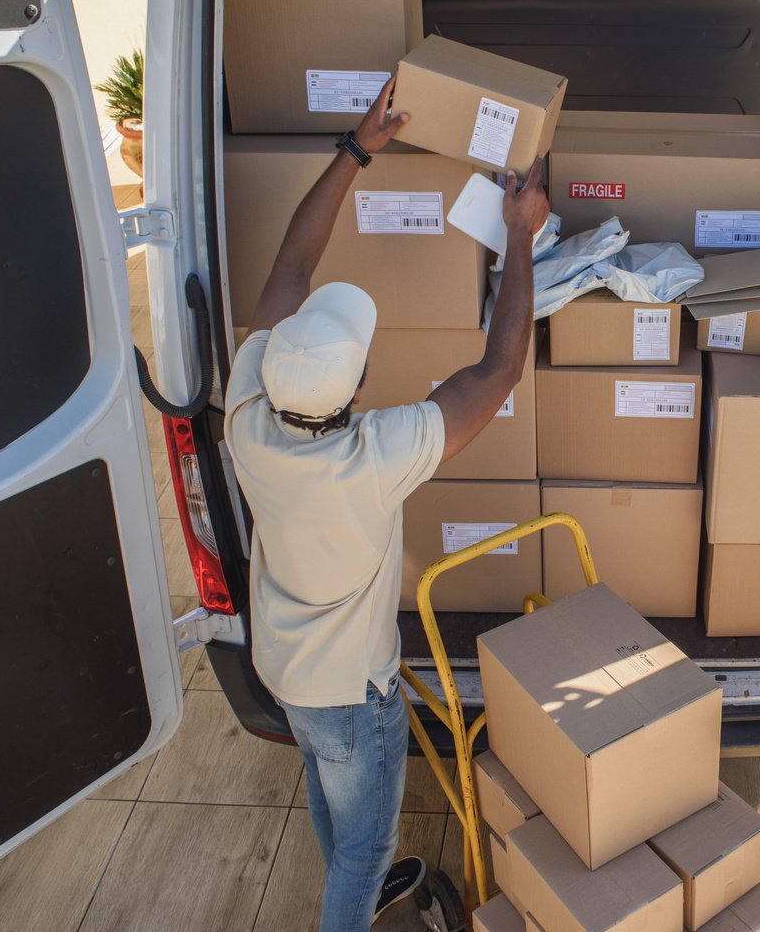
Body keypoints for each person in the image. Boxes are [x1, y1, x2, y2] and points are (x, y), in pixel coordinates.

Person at [222, 76, 547, 931]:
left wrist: (358, 149)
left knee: (333, 801)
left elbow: (292, 261)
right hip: (353, 692)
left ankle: (357, 900)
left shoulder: (249, 410)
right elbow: (500, 372)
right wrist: (522, 237)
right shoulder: (372, 456)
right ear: (357, 385)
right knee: (365, 845)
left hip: (287, 671)